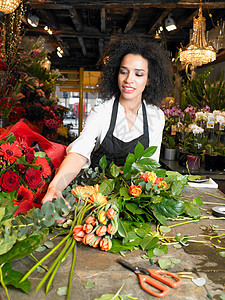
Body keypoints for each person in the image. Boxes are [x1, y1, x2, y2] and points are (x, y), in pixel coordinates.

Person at [42, 37, 173, 203]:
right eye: (123, 71)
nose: (128, 80)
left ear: (149, 79)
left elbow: (150, 165)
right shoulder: (102, 113)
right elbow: (79, 153)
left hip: (132, 200)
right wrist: (56, 187)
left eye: (138, 74)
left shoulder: (156, 117)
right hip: (94, 199)